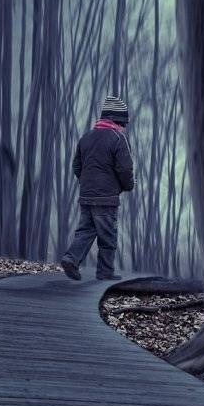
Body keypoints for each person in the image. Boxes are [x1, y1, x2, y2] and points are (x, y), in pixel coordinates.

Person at [60, 95, 135, 281]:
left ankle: (71, 258)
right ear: (117, 119)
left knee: (86, 230)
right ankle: (105, 272)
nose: (123, 126)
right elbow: (125, 169)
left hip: (86, 195)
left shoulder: (86, 137)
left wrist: (87, 183)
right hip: (106, 198)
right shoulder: (118, 138)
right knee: (108, 235)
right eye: (123, 122)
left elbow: (76, 166)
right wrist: (127, 185)